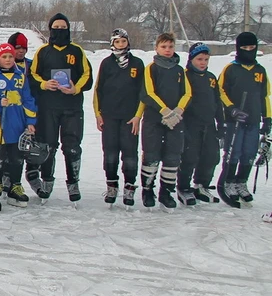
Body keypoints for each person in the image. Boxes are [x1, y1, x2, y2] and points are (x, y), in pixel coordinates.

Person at [26, 13, 93, 203]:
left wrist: (76, 88)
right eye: (56, 27)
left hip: (72, 107)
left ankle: (73, 183)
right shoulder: (43, 52)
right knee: (48, 147)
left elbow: (88, 76)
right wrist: (44, 84)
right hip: (49, 108)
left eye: (63, 27)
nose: (60, 30)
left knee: (72, 147)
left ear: (68, 29)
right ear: (50, 29)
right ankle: (47, 182)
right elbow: (32, 76)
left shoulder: (77, 51)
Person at [218, 31, 271, 206]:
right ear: (238, 48)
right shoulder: (231, 69)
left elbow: (265, 96)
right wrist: (231, 108)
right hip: (236, 120)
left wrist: (267, 118)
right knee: (234, 152)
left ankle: (241, 182)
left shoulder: (260, 71)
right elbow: (220, 91)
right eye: (244, 48)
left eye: (252, 47)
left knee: (249, 153)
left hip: (254, 119)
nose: (248, 50)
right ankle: (229, 182)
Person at [0, 44, 36, 207]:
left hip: (17, 124)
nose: (8, 59)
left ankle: (15, 187)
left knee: (16, 158)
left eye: (10, 56)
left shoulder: (21, 77)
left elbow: (28, 100)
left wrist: (31, 122)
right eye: (4, 56)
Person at [139, 33, 191, 210]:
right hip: (155, 119)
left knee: (172, 156)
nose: (167, 50)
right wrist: (165, 111)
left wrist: (178, 111)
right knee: (151, 155)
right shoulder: (151, 68)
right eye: (164, 47)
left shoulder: (180, 70)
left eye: (170, 47)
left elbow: (187, 93)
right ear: (157, 48)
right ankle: (147, 190)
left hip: (175, 121)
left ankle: (166, 192)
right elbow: (147, 93)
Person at [93, 29, 144, 208]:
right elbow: (98, 89)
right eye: (117, 42)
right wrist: (98, 114)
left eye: (123, 41)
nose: (121, 45)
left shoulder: (137, 64)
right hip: (109, 116)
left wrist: (138, 116)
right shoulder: (106, 64)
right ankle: (112, 186)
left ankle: (129, 188)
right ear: (112, 44)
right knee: (110, 153)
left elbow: (142, 93)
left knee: (130, 154)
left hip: (130, 118)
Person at [177, 42, 224, 206]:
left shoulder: (211, 78)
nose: (203, 62)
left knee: (211, 156)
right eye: (199, 59)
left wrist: (221, 123)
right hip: (190, 123)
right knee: (190, 156)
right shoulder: (184, 76)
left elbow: (217, 101)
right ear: (191, 59)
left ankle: (201, 185)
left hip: (209, 123)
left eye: (205, 59)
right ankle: (183, 187)